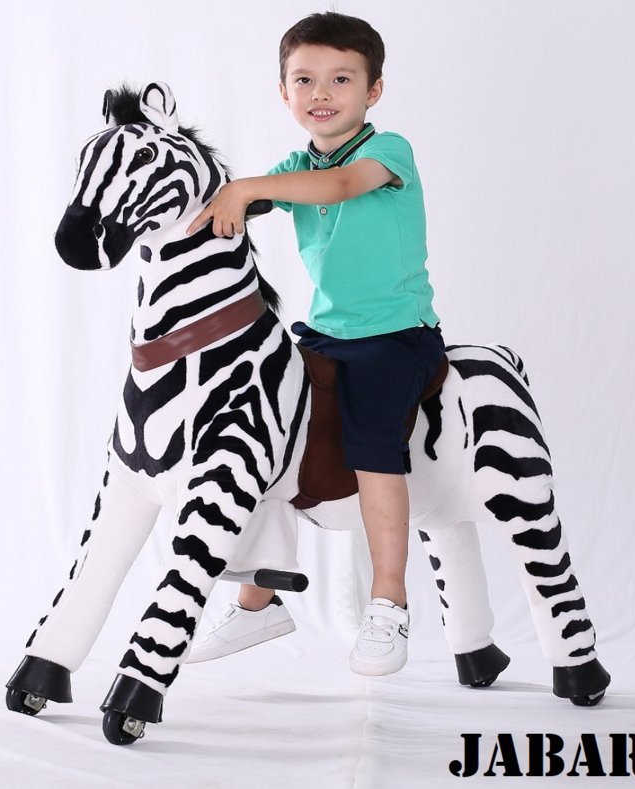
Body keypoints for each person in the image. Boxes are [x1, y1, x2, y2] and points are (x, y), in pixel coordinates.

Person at [185, 11, 444, 676]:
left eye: (340, 79)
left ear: (373, 91)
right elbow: (233, 206)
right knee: (262, 440)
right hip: (324, 336)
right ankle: (258, 601)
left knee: (373, 448)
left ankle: (389, 602)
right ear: (284, 92)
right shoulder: (295, 166)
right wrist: (207, 205)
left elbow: (339, 186)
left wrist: (248, 190)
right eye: (304, 80)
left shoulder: (388, 153)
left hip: (395, 337)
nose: (321, 93)